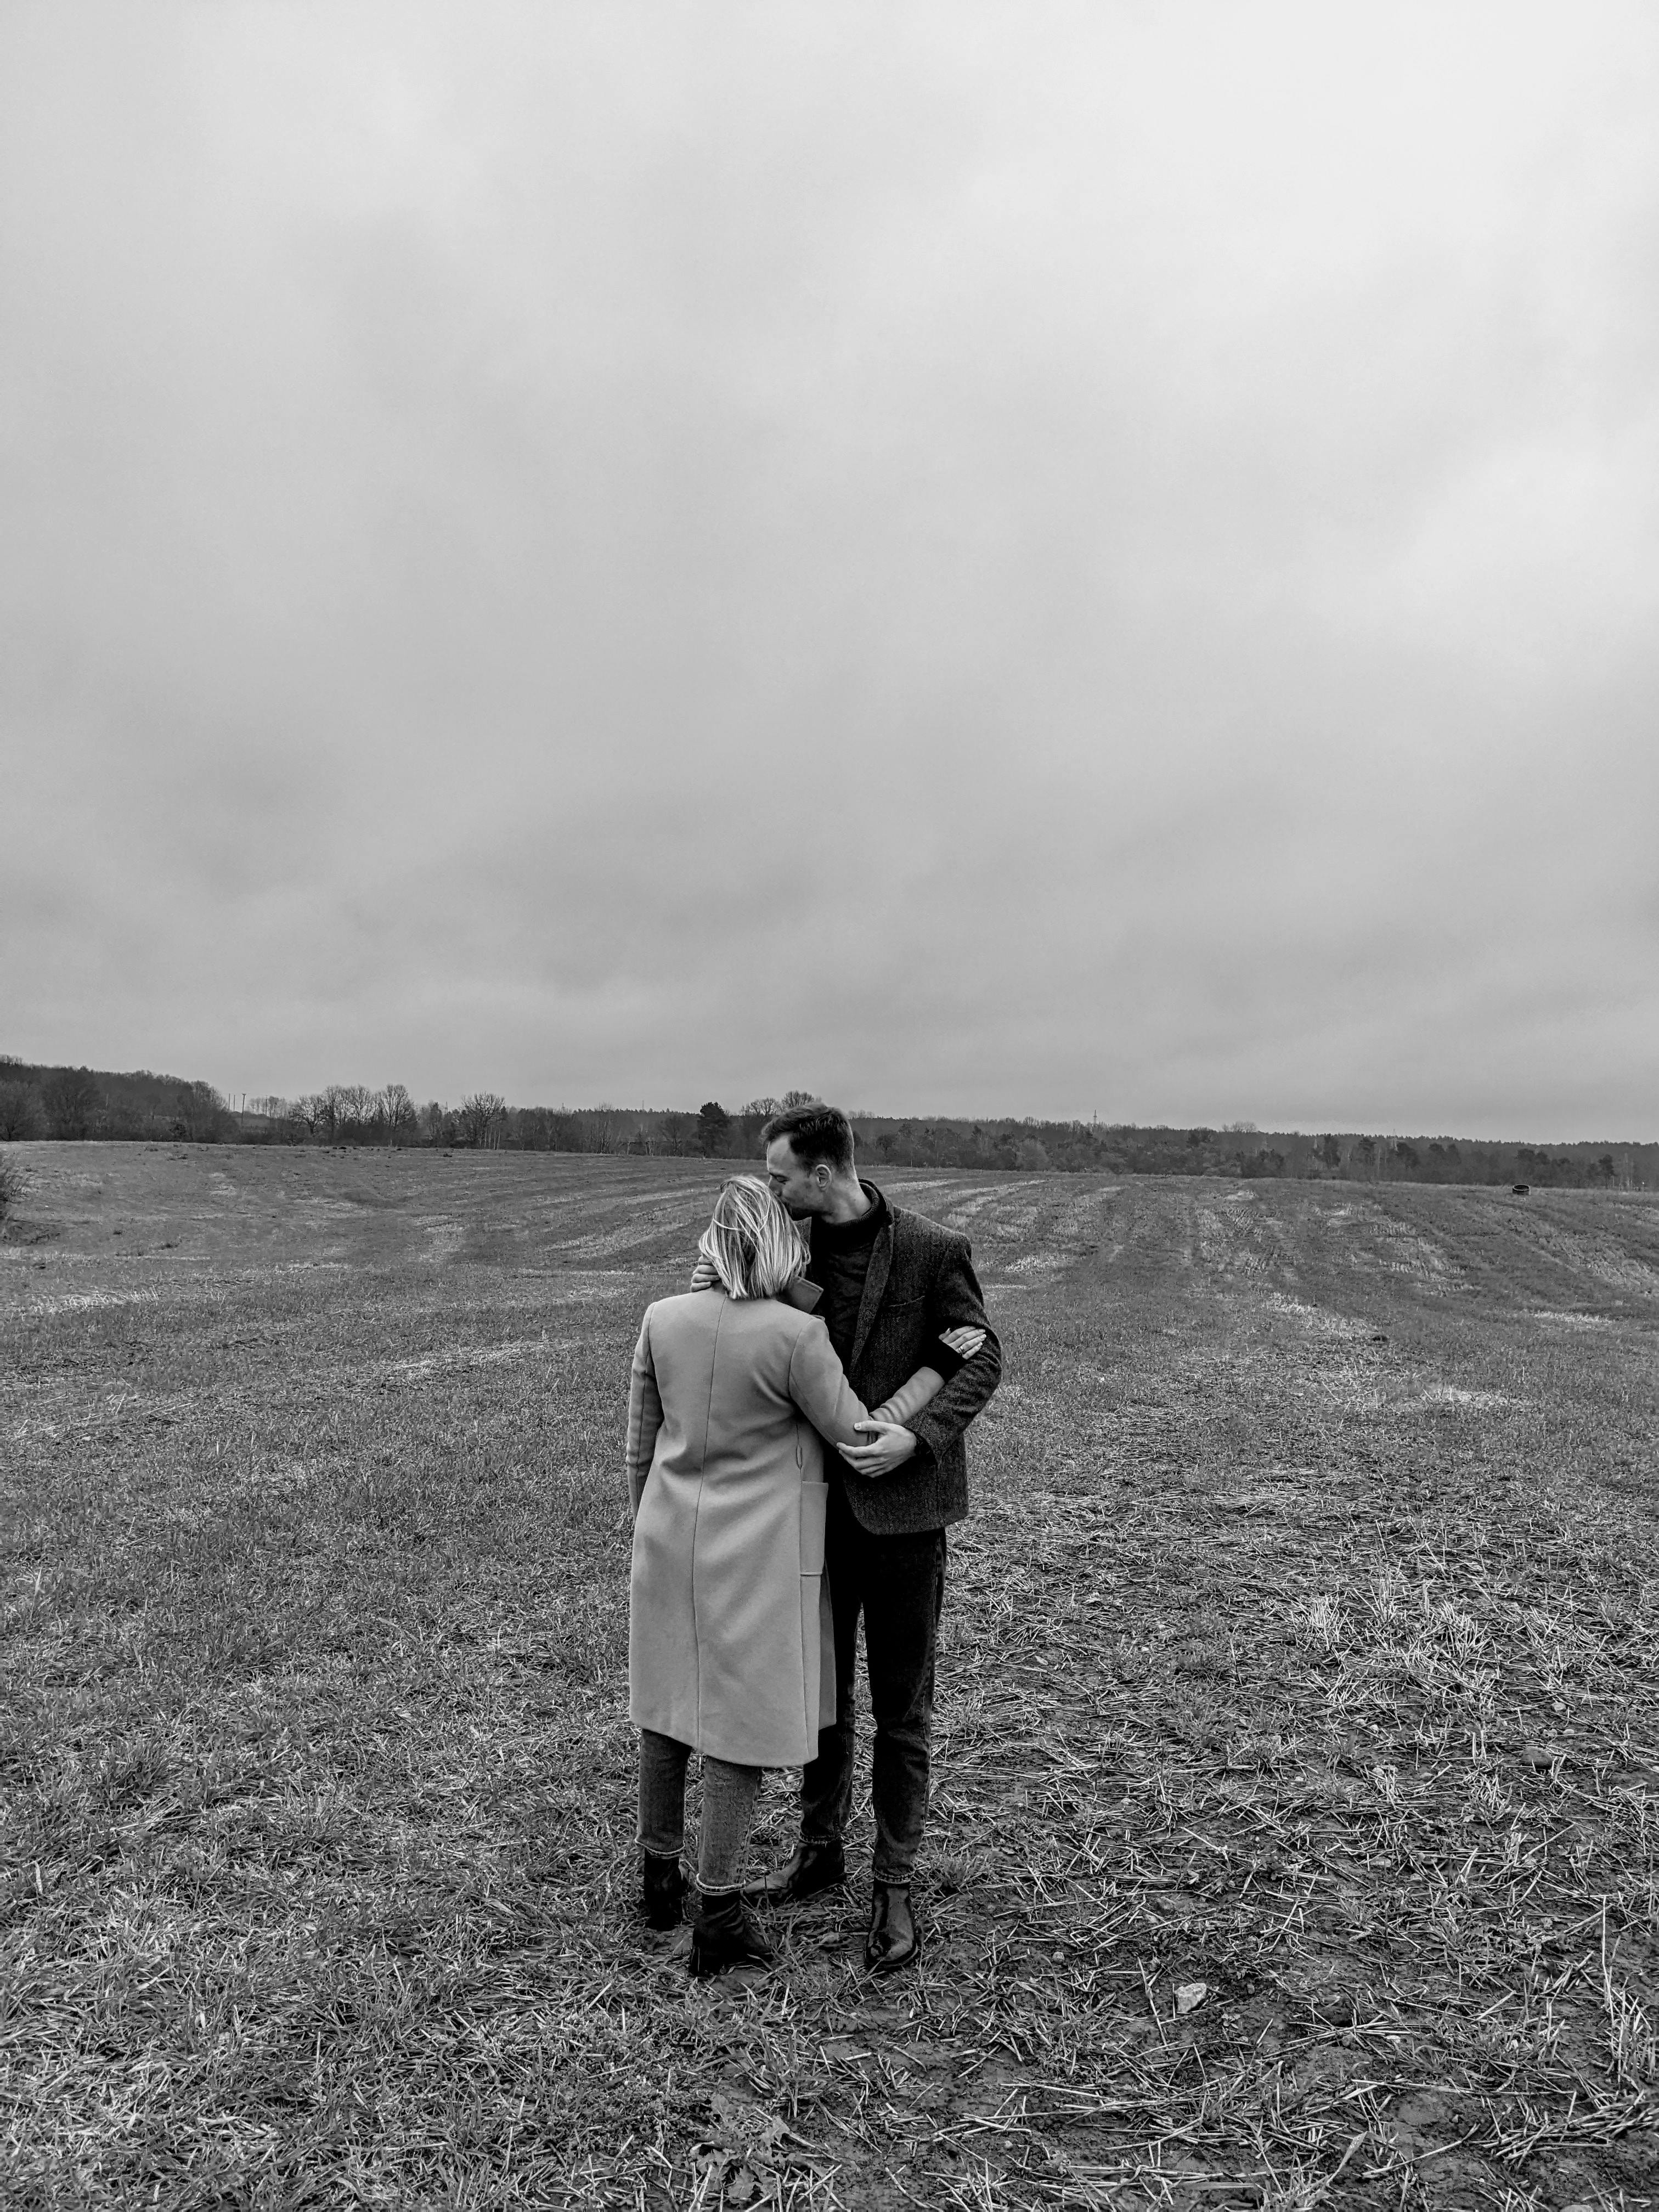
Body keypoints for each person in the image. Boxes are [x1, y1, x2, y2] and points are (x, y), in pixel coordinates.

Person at [626, 1175, 985, 1977]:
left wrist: (644, 1522)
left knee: (665, 1709)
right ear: (778, 1243)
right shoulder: (793, 1336)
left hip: (665, 1541)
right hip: (751, 1556)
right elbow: (856, 1431)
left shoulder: (662, 1319)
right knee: (737, 1734)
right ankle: (718, 1910)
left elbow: (639, 1443)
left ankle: (658, 1876)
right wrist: (932, 1367)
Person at [744, 1101, 1002, 1973]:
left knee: (902, 1713)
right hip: (811, 1508)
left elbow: (979, 1355)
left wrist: (919, 1439)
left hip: (905, 1518)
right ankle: (819, 1856)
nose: (773, 1190)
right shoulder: (786, 1252)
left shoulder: (934, 1250)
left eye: (781, 1175)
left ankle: (894, 1885)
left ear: (823, 1172)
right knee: (822, 1701)